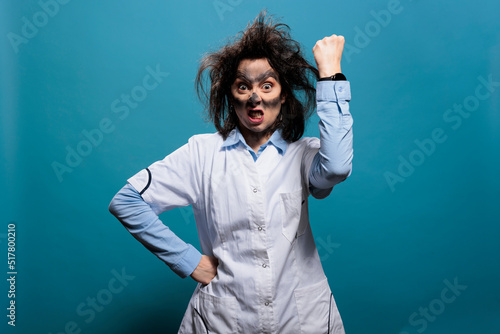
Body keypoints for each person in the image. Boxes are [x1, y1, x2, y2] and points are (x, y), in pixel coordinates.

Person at [109, 11, 353, 334]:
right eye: (243, 87)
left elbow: (337, 167)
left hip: (302, 320)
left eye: (267, 85)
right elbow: (127, 201)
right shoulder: (201, 153)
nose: (255, 97)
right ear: (230, 96)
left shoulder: (303, 154)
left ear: (283, 95)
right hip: (223, 321)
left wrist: (331, 75)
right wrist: (188, 260)